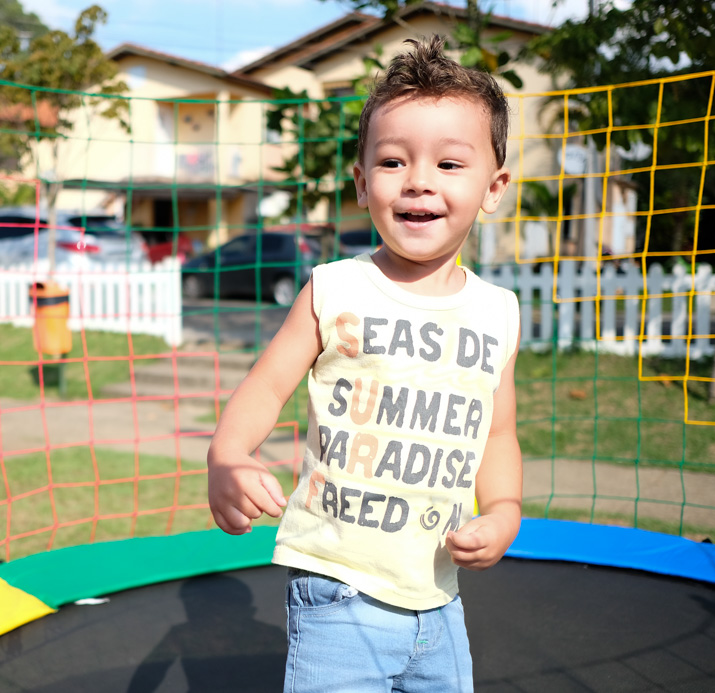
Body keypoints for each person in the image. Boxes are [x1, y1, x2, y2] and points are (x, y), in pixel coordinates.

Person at [207, 35, 521, 692]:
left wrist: (505, 510)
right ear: (360, 182)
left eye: (449, 164)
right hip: (339, 590)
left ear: (493, 188)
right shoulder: (335, 287)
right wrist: (228, 455)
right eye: (392, 161)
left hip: (440, 598)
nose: (419, 181)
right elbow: (265, 386)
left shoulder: (498, 312)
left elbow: (497, 431)